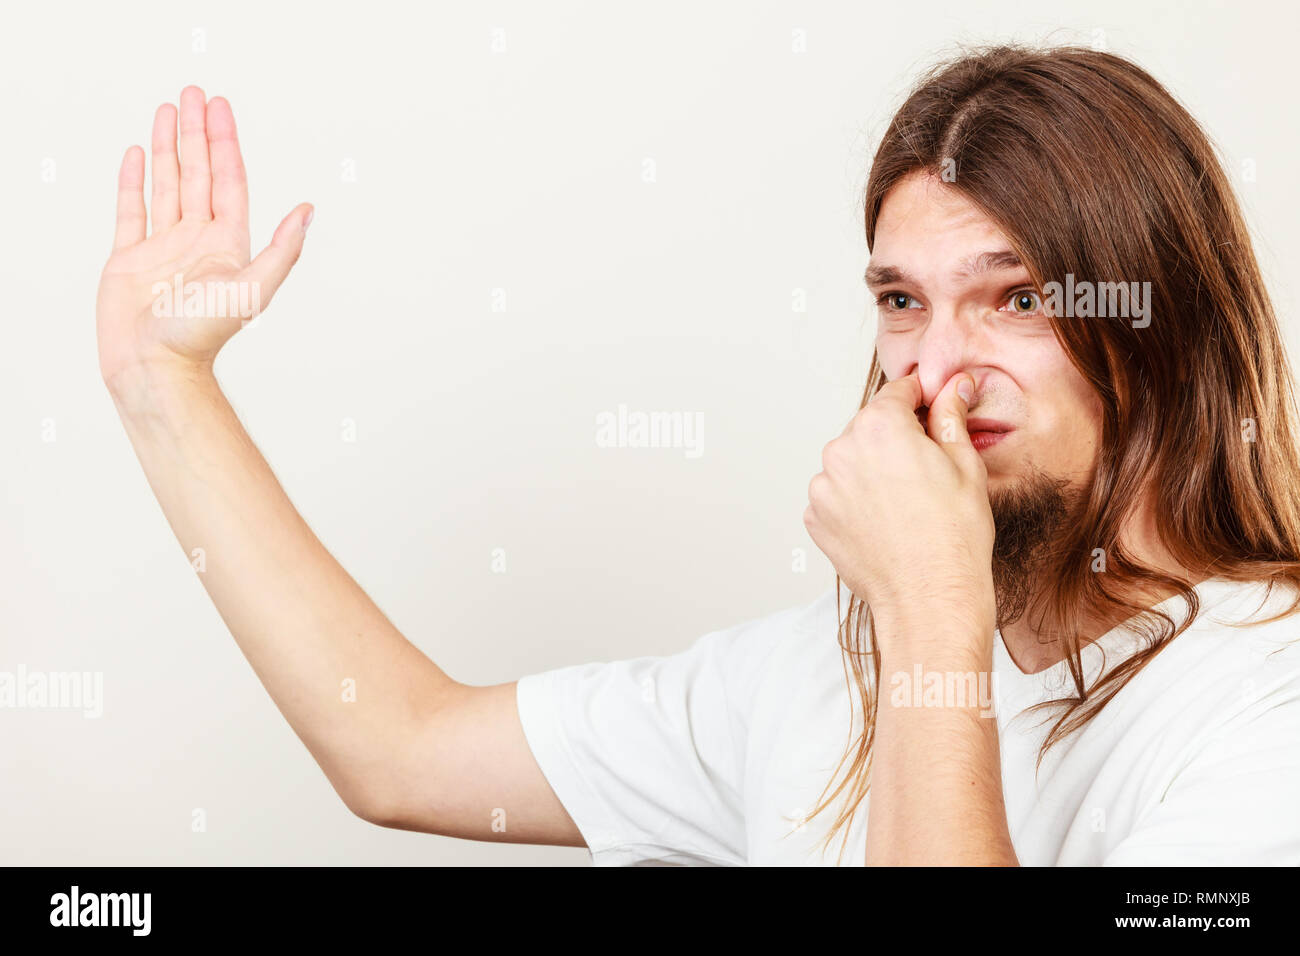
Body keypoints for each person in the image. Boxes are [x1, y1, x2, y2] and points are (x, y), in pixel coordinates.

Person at [96, 44, 1300, 866]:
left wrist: (931, 611)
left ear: (1160, 324)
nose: (936, 367)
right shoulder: (811, 679)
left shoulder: (1263, 700)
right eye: (898, 300)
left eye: (1016, 297)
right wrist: (166, 385)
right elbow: (398, 746)